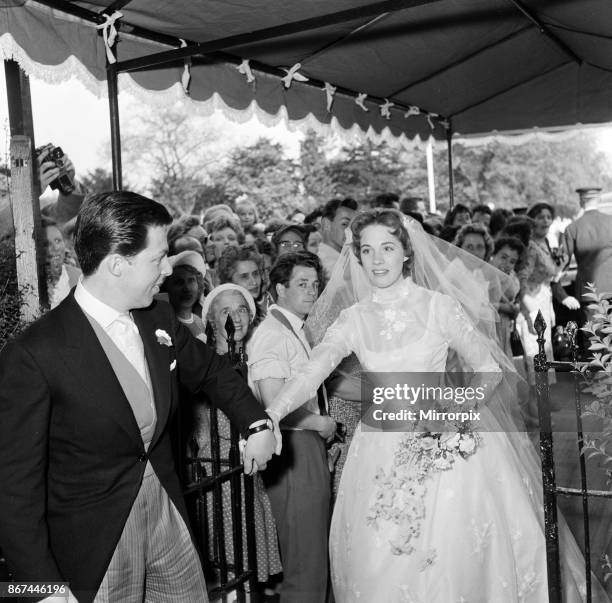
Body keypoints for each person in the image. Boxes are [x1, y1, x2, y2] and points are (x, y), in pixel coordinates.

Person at [265, 209, 605, 602]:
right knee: (381, 560)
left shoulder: (437, 307)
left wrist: (455, 413)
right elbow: (310, 372)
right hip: (380, 450)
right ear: (357, 256)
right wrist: (271, 415)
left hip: (449, 451)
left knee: (454, 558)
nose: (377, 260)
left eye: (387, 248)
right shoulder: (352, 319)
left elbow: (488, 369)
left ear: (406, 252)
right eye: (368, 250)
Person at [0, 191, 278, 603]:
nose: (169, 270)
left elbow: (214, 372)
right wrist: (42, 590)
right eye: (158, 258)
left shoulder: (158, 318)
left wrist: (257, 422)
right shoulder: (33, 355)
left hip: (169, 516)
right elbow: (12, 489)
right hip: (95, 545)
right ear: (116, 264)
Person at [247, 251, 336, 603]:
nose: (312, 291)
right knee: (304, 555)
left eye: (315, 284)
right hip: (295, 447)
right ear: (279, 288)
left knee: (313, 550)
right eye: (302, 284)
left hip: (306, 445)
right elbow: (274, 404)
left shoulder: (292, 329)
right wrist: (322, 423)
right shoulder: (273, 335)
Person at [191, 284, 283, 589]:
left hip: (248, 471)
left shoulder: (251, 357)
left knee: (248, 566)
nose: (236, 317)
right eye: (226, 311)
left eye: (242, 309)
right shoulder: (203, 361)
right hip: (219, 471)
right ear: (211, 320)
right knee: (230, 561)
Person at [318, 197, 358, 280]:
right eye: (344, 224)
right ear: (326, 224)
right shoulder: (321, 262)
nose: (351, 230)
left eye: (353, 225)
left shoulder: (345, 258)